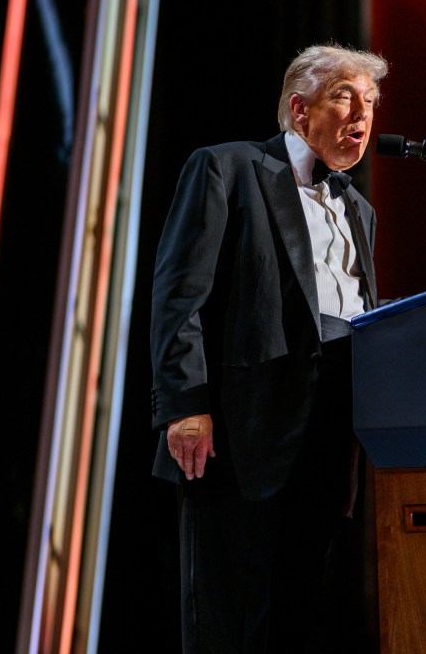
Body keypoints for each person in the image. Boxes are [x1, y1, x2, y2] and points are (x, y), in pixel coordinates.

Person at [149, 43, 388, 653]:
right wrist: (184, 403)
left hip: (329, 438)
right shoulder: (227, 168)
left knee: (295, 616)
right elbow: (181, 295)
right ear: (299, 109)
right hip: (240, 430)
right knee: (228, 620)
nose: (361, 112)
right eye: (345, 96)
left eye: (370, 101)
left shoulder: (359, 210)